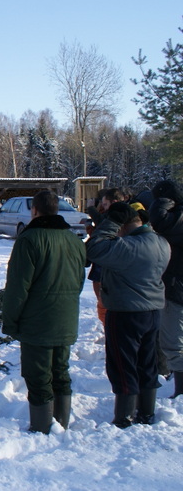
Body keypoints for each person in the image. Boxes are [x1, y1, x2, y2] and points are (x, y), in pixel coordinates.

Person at [2, 191, 86, 433]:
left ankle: (42, 427)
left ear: (34, 210)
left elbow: (17, 287)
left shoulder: (29, 240)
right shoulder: (74, 240)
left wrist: (10, 320)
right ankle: (61, 423)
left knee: (38, 375)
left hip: (37, 322)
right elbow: (79, 280)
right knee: (61, 372)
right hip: (66, 318)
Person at [87, 202, 171, 427]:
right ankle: (146, 412)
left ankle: (124, 416)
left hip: (125, 312)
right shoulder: (161, 242)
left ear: (123, 226)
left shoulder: (129, 246)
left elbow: (95, 249)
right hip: (152, 311)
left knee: (123, 365)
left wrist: (110, 224)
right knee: (147, 363)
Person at [149, 179, 183, 398]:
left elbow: (160, 221)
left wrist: (162, 202)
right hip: (175, 285)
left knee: (173, 343)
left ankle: (181, 393)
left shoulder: (176, 219)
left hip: (176, 288)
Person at [85, 188, 128, 324]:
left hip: (108, 267)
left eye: (105, 204)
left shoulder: (119, 217)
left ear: (113, 202)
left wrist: (91, 210)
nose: (103, 207)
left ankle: (109, 326)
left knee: (105, 302)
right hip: (105, 267)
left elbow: (104, 225)